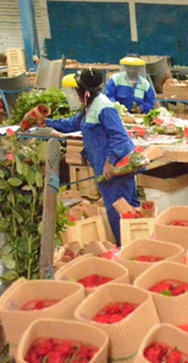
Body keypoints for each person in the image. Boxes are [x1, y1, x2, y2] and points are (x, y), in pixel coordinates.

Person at [45, 69, 139, 243]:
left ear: (83, 91)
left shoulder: (103, 107)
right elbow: (73, 123)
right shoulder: (90, 106)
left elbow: (118, 136)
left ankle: (126, 250)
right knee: (129, 209)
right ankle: (136, 245)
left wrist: (110, 161)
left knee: (119, 210)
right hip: (106, 167)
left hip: (115, 169)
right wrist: (46, 122)